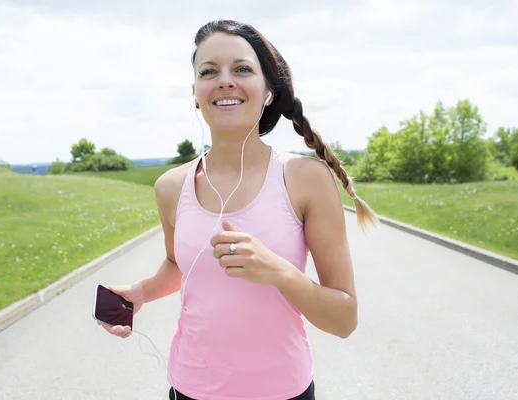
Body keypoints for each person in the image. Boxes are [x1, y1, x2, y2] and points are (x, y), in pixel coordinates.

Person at [97, 19, 378, 400]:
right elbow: (181, 265)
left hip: (283, 391)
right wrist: (142, 291)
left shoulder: (305, 178)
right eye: (209, 72)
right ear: (195, 92)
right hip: (190, 388)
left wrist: (277, 270)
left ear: (267, 92)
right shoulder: (170, 187)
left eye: (242, 69)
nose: (224, 80)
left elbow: (345, 320)